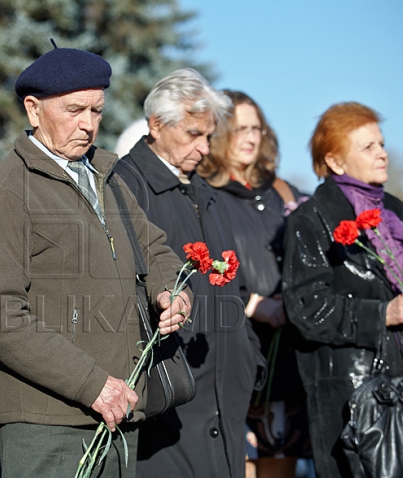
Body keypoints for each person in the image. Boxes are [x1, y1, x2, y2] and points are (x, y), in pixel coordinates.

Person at [0, 42, 191, 478]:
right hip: (49, 425)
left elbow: (157, 250)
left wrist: (171, 293)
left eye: (97, 111)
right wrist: (92, 385)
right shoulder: (2, 192)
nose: (88, 124)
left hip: (121, 410)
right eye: (74, 110)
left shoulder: (113, 177)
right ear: (33, 110)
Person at [114, 69, 266, 478]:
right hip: (171, 396)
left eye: (209, 136)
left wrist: (248, 356)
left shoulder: (208, 195)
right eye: (193, 134)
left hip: (224, 396)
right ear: (156, 125)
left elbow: (231, 287)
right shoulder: (125, 186)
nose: (204, 147)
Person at [281, 102, 403, 477]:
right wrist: (382, 314)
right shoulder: (312, 217)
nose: (382, 152)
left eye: (381, 143)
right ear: (335, 161)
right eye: (368, 147)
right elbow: (306, 307)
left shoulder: (396, 211)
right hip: (354, 398)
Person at [198, 90, 311, 478]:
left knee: (280, 466)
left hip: (288, 359)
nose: (250, 137)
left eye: (256, 129)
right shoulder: (202, 194)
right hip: (236, 351)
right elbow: (198, 267)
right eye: (238, 128)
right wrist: (252, 304)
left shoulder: (285, 193)